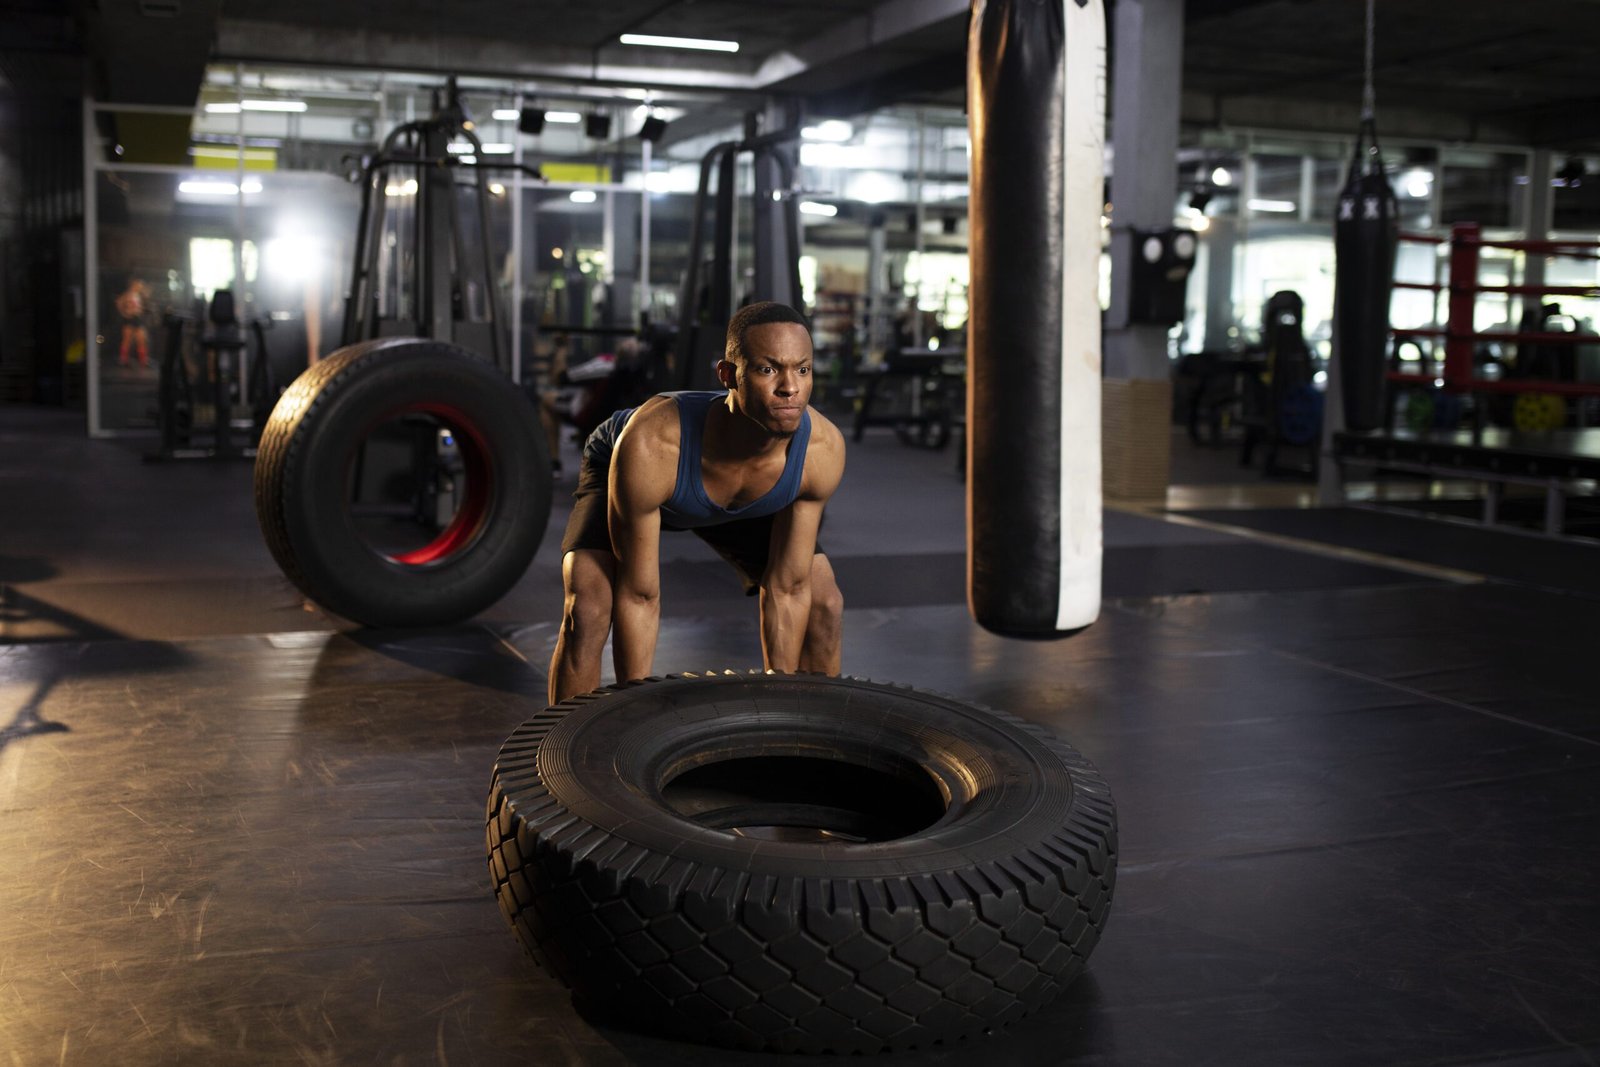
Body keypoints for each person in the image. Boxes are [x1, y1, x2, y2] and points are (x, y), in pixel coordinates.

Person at [548, 301, 845, 704]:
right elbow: (639, 596)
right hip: (640, 472)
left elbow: (788, 589)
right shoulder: (653, 443)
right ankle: (556, 753)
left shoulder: (821, 449)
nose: (790, 387)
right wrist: (634, 717)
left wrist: (780, 705)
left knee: (823, 601)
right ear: (728, 375)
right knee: (588, 608)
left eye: (803, 369)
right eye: (768, 369)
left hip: (745, 495)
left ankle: (808, 736)